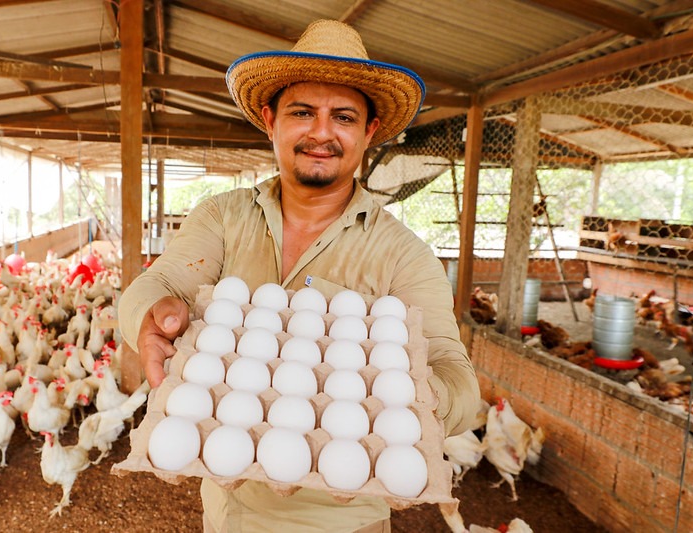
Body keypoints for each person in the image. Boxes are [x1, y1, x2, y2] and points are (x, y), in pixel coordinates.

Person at [119, 19, 480, 533]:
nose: (321, 133)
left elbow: (458, 381)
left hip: (344, 522)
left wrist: (410, 396)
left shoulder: (404, 256)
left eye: (344, 117)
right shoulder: (222, 217)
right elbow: (158, 287)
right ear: (270, 120)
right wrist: (150, 317)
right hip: (227, 515)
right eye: (302, 112)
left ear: (368, 131)